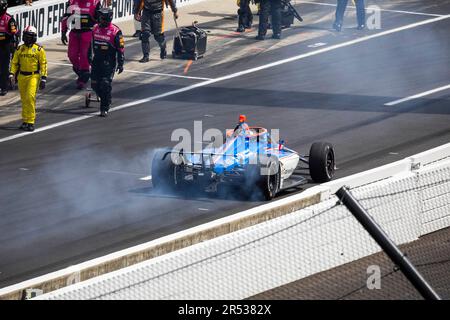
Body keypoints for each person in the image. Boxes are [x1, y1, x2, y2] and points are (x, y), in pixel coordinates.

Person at [9, 26, 47, 132]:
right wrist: (11, 74)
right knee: (24, 99)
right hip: (21, 76)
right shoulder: (20, 49)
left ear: (34, 37)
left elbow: (43, 64)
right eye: (25, 36)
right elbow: (14, 62)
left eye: (29, 36)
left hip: (33, 76)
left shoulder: (39, 50)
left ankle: (30, 121)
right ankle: (25, 120)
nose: (27, 38)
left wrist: (43, 78)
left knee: (30, 98)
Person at [89, 7, 124, 117]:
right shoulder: (95, 28)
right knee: (94, 85)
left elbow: (121, 49)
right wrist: (88, 56)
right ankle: (107, 98)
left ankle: (104, 107)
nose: (100, 20)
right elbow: (90, 45)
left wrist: (121, 62)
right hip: (96, 61)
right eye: (100, 18)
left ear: (108, 18)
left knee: (104, 84)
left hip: (109, 62)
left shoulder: (116, 31)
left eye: (103, 18)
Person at [61, 0, 102, 89]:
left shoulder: (95, 2)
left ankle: (83, 77)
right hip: (74, 32)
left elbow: (100, 20)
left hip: (87, 32)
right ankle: (81, 71)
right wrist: (63, 32)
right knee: (72, 55)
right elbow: (66, 17)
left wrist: (99, 34)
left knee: (85, 56)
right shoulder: (71, 2)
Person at [0, 0, 18, 96]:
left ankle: (4, 87)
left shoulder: (9, 19)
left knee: (4, 68)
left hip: (5, 46)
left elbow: (14, 33)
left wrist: (2, 36)